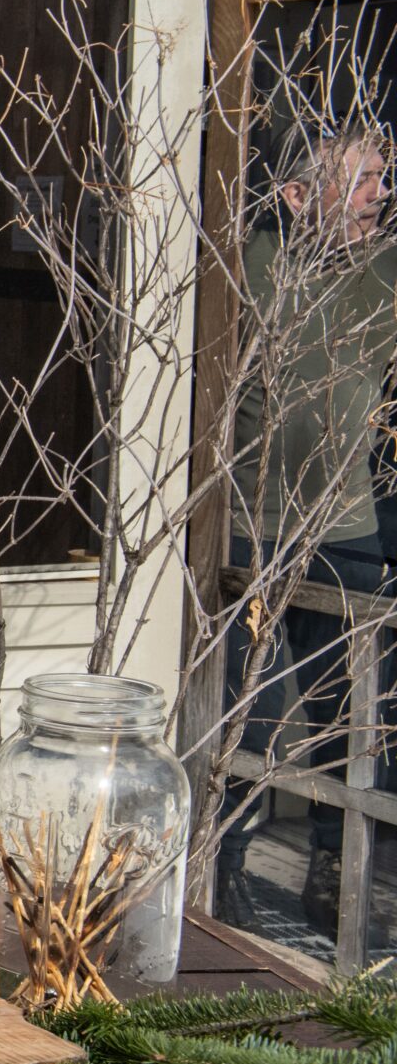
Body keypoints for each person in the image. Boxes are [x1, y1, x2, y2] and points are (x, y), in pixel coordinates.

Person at [217, 120, 397, 936]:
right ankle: (222, 871)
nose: (379, 195)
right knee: (244, 715)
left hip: (346, 523)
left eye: (382, 177)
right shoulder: (242, 265)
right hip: (249, 526)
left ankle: (336, 878)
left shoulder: (382, 269)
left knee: (352, 716)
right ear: (295, 195)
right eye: (360, 179)